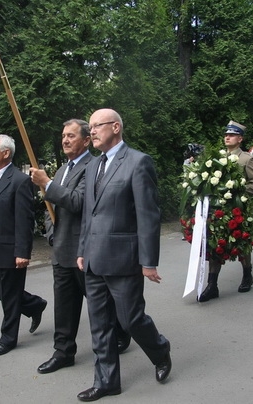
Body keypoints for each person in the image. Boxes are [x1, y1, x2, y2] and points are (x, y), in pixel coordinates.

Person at [76, 109, 171, 402]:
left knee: (130, 319)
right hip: (93, 260)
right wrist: (81, 250)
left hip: (124, 259)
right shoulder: (92, 166)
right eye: (89, 127)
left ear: (115, 127)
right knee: (100, 323)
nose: (90, 131)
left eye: (96, 126)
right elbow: (88, 215)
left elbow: (148, 215)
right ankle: (106, 382)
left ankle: (159, 350)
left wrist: (148, 261)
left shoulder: (138, 162)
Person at [29, 119, 130, 375]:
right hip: (61, 250)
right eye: (63, 135)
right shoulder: (62, 170)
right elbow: (50, 208)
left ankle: (121, 332)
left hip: (86, 251)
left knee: (100, 305)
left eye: (71, 136)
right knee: (64, 307)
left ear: (86, 140)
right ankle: (63, 352)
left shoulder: (94, 167)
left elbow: (77, 202)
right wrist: (51, 234)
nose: (65, 140)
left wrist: (47, 184)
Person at [0, 134, 47, 358]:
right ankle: (35, 305)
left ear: (5, 153)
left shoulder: (19, 181)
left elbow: (24, 220)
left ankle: (8, 339)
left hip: (10, 250)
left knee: (10, 296)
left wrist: (22, 252)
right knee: (0, 292)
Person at [198, 121, 253, 301]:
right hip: (218, 210)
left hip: (238, 209)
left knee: (242, 244)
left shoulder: (246, 159)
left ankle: (247, 275)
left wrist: (238, 191)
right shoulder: (217, 157)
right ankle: (212, 285)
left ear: (240, 139)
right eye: (226, 134)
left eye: (232, 135)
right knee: (215, 245)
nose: (227, 137)